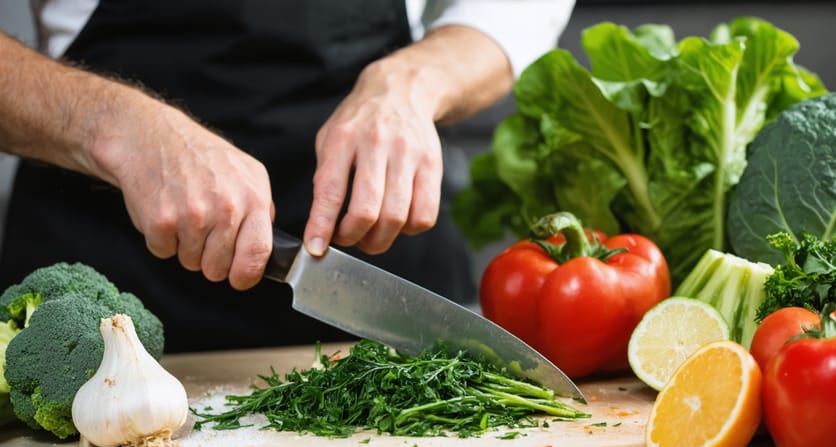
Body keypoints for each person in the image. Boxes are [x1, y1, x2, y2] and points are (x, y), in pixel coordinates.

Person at [0, 0, 575, 351]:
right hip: (100, 268)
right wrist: (109, 124)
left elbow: (514, 6)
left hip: (382, 258)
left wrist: (412, 83)